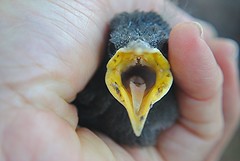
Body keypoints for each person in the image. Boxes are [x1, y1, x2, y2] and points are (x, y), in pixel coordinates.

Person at [0, 0, 239, 161]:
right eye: (116, 47)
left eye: (162, 49)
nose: (137, 50)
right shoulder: (82, 91)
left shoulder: (174, 98)